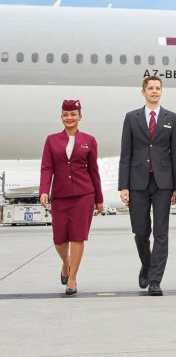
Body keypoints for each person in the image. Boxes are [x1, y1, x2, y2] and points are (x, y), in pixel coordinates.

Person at [118, 76, 176, 296]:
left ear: (161, 91)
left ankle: (155, 280)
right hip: (137, 182)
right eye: (150, 88)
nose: (154, 91)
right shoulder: (131, 118)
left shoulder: (172, 118)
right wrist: (123, 186)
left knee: (161, 233)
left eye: (158, 88)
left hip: (163, 183)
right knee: (140, 231)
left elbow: (175, 154)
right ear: (143, 92)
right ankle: (147, 263)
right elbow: (125, 153)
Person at [39, 100, 103, 296]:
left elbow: (94, 170)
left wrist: (99, 199)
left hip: (84, 194)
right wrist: (44, 190)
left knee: (77, 237)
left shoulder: (89, 140)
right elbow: (47, 167)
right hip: (60, 195)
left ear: (80, 117)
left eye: (73, 114)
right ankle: (65, 263)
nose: (69, 118)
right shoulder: (51, 140)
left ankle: (73, 278)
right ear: (61, 117)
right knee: (59, 239)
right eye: (66, 115)